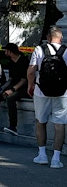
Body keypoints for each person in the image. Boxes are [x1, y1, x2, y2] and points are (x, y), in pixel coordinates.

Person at [28, 26, 67, 169]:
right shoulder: (66, 51)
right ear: (60, 38)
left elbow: (31, 71)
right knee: (60, 124)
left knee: (40, 121)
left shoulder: (39, 50)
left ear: (48, 38)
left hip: (41, 91)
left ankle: (42, 155)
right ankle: (56, 158)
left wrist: (30, 85)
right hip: (62, 92)